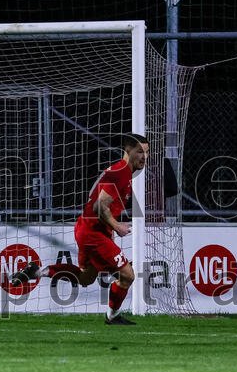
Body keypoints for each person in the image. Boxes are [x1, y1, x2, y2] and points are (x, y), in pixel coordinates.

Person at [8, 133, 149, 325]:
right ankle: (113, 316)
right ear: (128, 150)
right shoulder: (121, 172)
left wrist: (110, 231)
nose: (144, 157)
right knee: (127, 275)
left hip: (87, 228)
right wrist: (117, 227)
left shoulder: (121, 170)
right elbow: (100, 206)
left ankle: (37, 272)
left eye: (146, 152)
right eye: (140, 152)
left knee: (85, 278)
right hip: (93, 233)